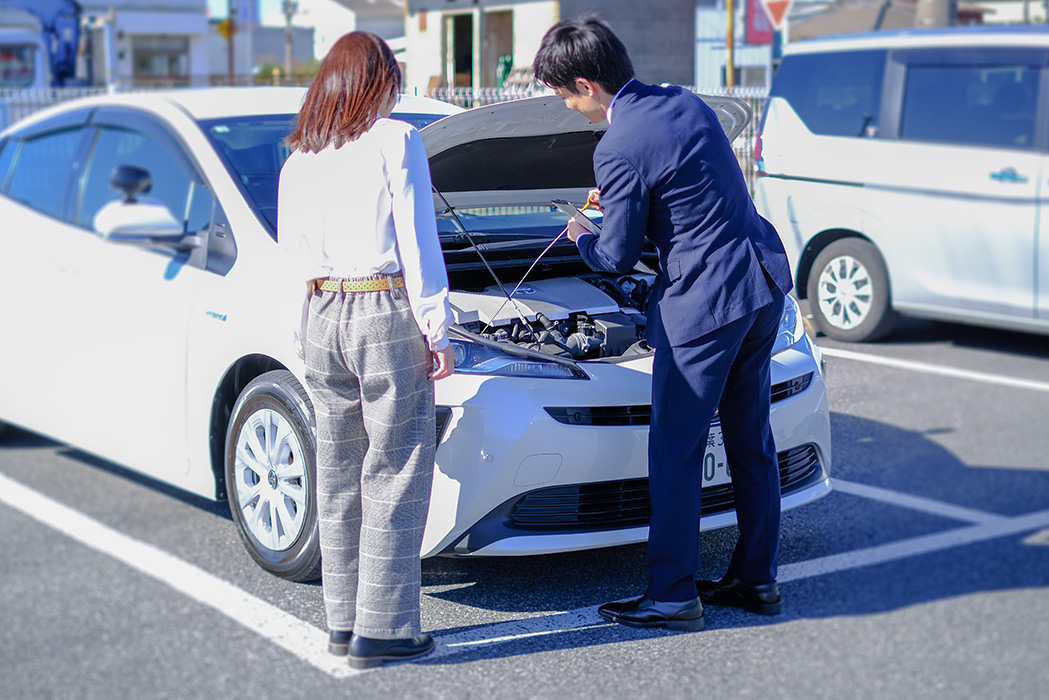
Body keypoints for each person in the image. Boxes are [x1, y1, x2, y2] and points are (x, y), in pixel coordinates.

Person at [533, 16, 794, 631]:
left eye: (565, 96)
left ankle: (673, 595)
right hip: (760, 283)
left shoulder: (617, 145)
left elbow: (617, 256)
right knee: (751, 440)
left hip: (704, 306)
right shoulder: (684, 101)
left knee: (675, 449)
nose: (570, 110)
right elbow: (690, 192)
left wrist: (582, 236)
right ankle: (758, 580)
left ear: (585, 83)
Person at [277, 31, 455, 668]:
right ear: (379, 83)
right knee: (397, 464)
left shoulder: (298, 159)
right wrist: (437, 327)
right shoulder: (395, 139)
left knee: (340, 471)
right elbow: (417, 238)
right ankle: (384, 631)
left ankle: (342, 622)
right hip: (381, 306)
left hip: (319, 311)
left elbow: (287, 258)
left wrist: (299, 332)